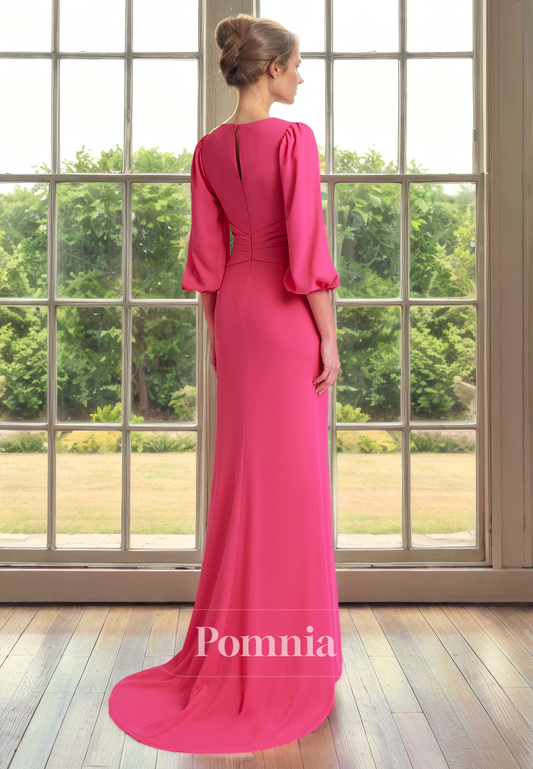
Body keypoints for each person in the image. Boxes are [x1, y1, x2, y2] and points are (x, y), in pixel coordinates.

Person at [108, 13, 343, 755]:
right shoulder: (293, 140)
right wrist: (329, 335)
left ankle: (238, 647)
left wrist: (216, 330)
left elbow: (206, 258)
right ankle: (288, 660)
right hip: (283, 313)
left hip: (236, 314)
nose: (301, 77)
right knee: (292, 486)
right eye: (296, 66)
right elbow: (305, 246)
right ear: (271, 70)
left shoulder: (208, 149)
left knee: (243, 481)